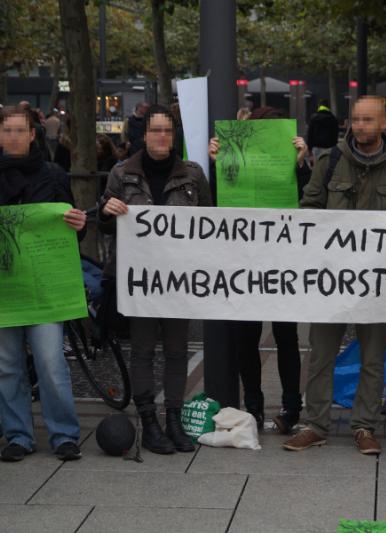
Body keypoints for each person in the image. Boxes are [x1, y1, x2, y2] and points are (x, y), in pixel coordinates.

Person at [282, 95, 386, 455]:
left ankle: (364, 426)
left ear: (384, 124)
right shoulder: (330, 161)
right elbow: (309, 207)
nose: (360, 127)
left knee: (372, 358)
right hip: (331, 279)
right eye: (355, 120)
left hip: (376, 282)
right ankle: (315, 424)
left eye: (368, 120)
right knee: (321, 353)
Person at [99, 104, 212, 455]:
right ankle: (149, 421)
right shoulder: (122, 173)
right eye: (155, 130)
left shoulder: (192, 174)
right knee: (144, 350)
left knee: (178, 351)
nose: (161, 136)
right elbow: (104, 223)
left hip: (178, 280)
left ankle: (174, 420)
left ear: (173, 136)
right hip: (141, 282)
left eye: (167, 130)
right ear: (144, 135)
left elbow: (209, 222)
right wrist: (107, 210)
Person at [207, 106, 310, 432]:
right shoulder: (232, 158)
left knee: (286, 335)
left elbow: (309, 200)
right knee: (246, 337)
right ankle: (254, 404)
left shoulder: (294, 160)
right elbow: (213, 201)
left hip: (281, 259)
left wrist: (301, 164)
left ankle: (290, 407)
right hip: (243, 259)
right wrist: (216, 165)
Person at [0, 105, 87, 462]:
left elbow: (68, 236)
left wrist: (77, 224)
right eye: (7, 131)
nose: (13, 137)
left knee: (52, 362)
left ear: (33, 134)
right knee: (7, 366)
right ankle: (18, 434)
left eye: (20, 131)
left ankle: (64, 434)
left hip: (46, 288)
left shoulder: (53, 175)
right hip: (6, 290)